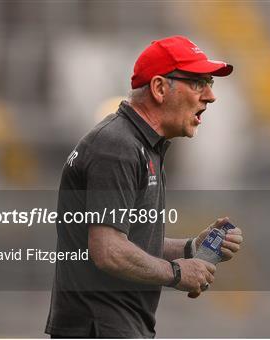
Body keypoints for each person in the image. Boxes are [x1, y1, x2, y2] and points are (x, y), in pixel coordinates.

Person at [45, 35, 243, 338]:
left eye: (210, 84)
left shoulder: (141, 146)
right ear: (160, 88)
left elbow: (131, 242)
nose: (210, 96)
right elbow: (108, 250)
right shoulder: (117, 146)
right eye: (197, 83)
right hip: (100, 329)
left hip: (114, 327)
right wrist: (177, 273)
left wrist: (192, 248)